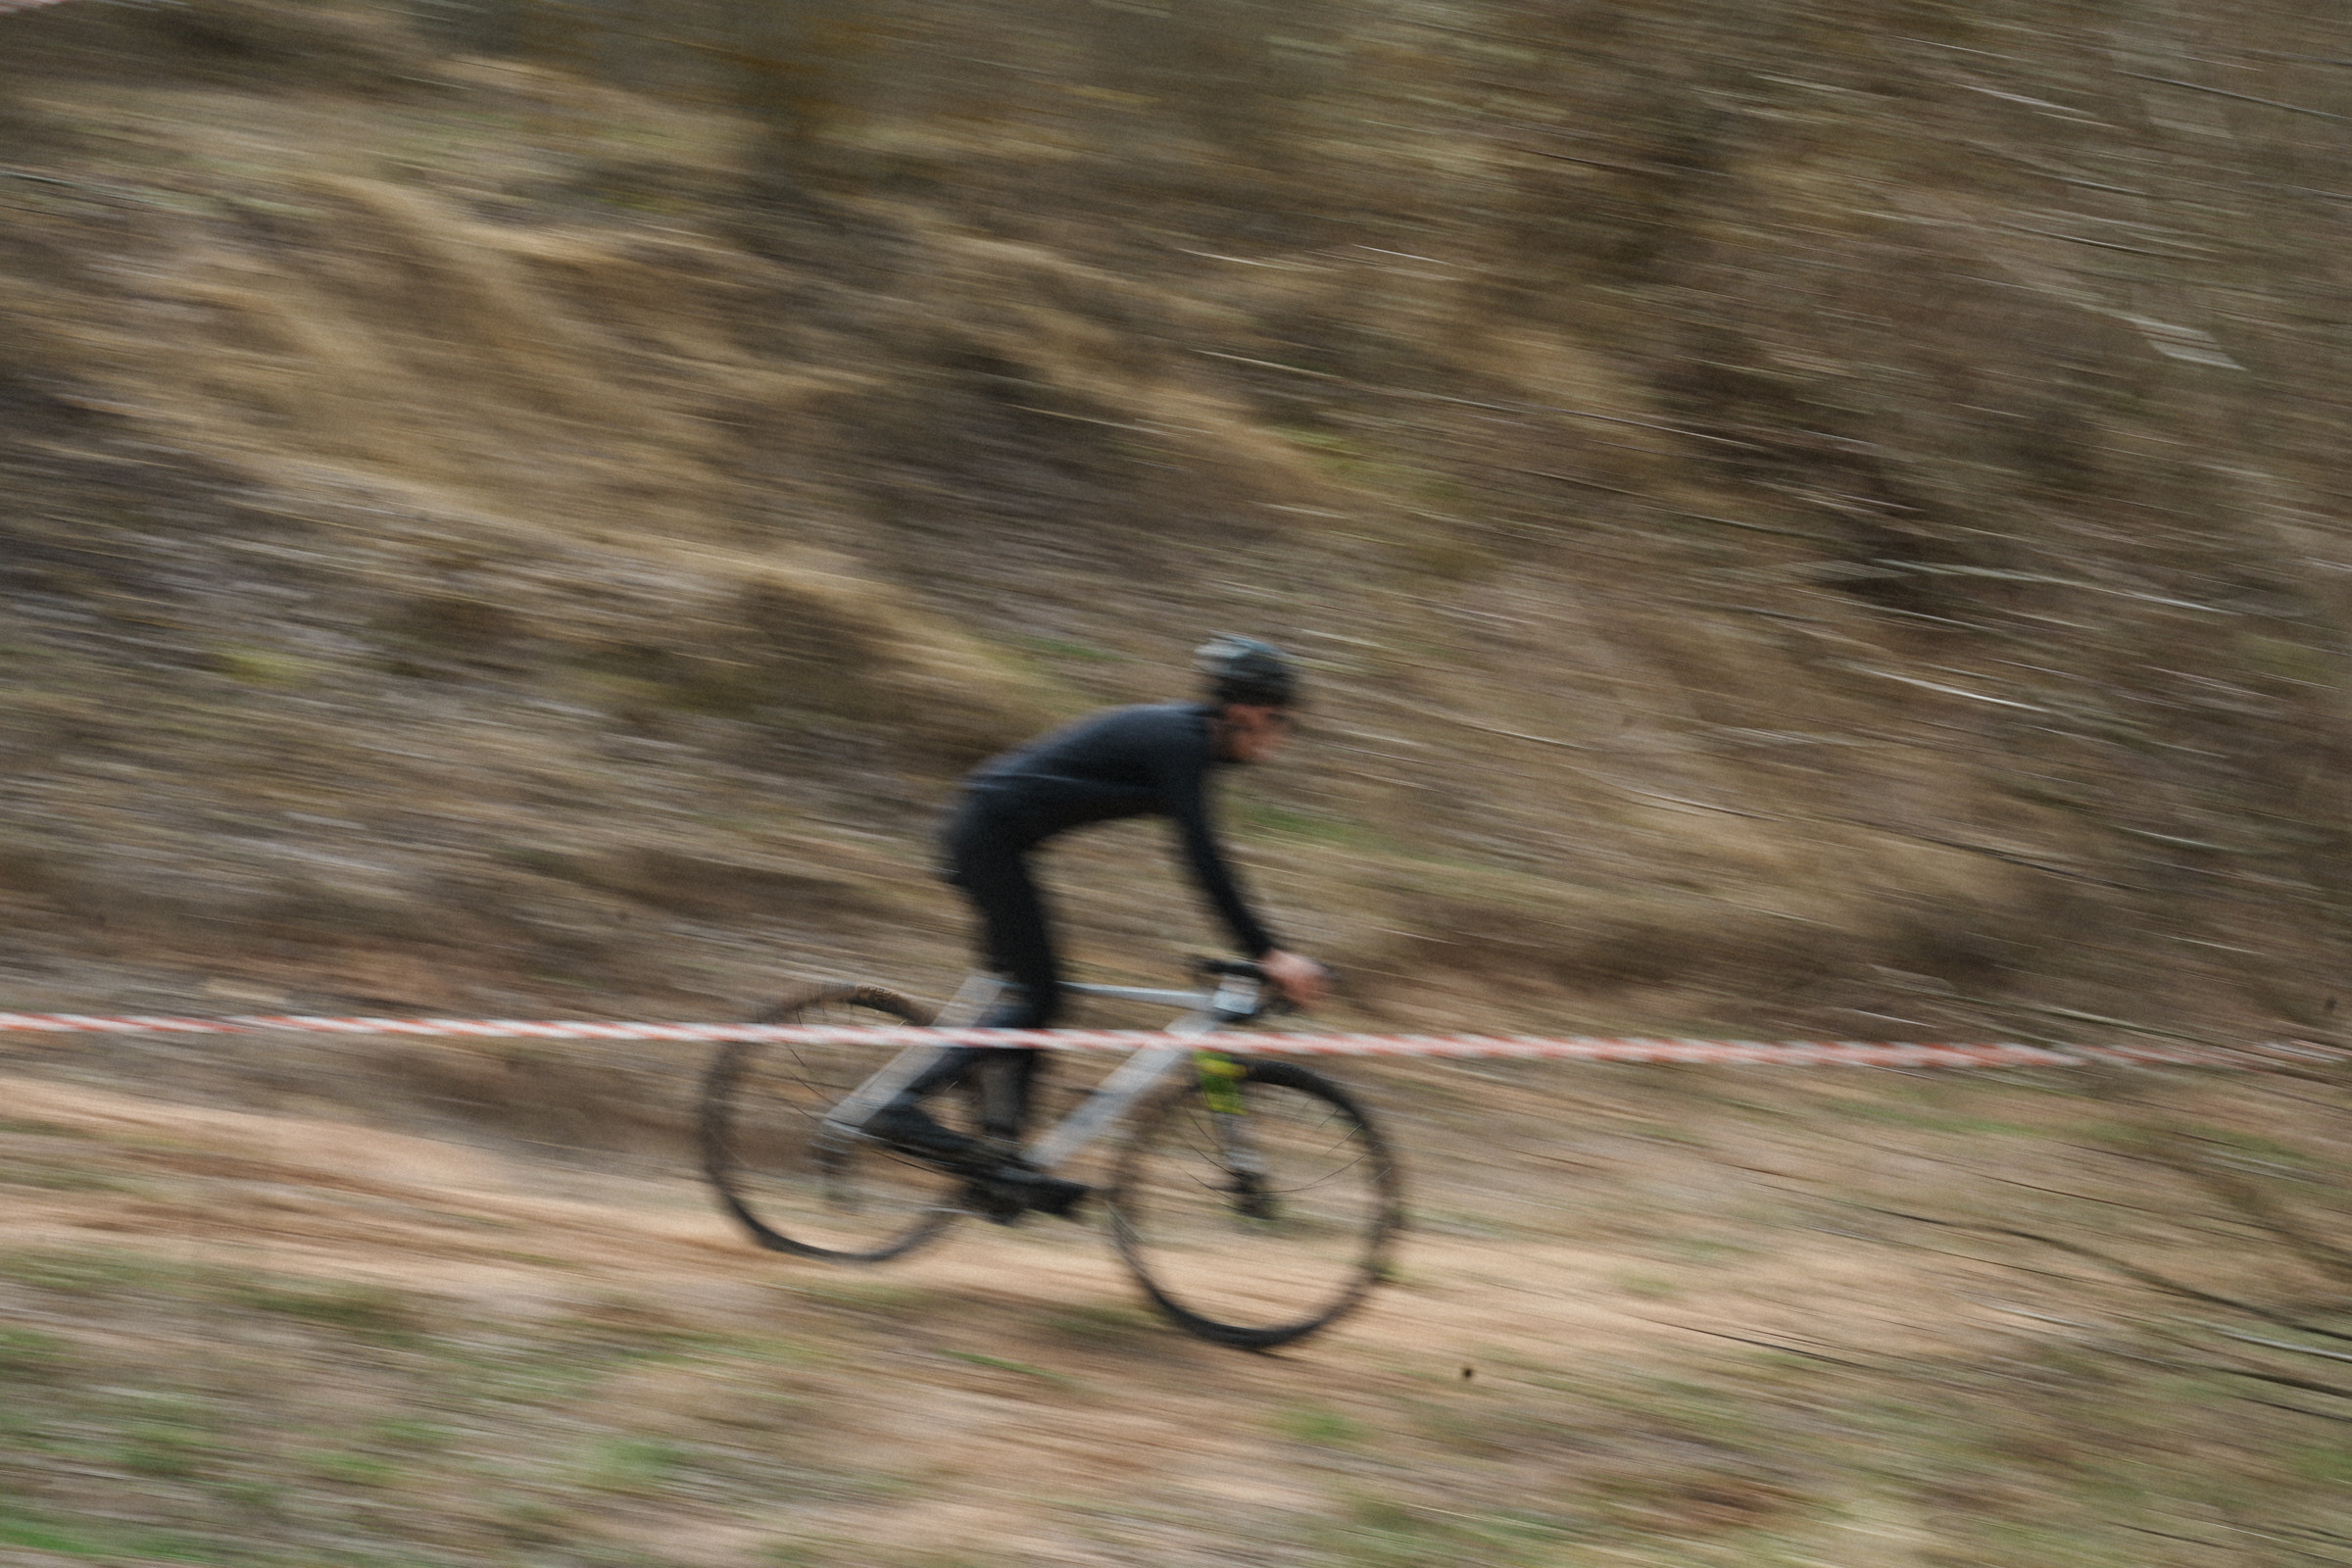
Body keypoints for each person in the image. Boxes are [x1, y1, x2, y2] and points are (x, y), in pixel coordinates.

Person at [866, 635, 1327, 1219]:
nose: (1284, 734)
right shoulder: (1181, 744)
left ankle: (1004, 1166)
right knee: (1042, 993)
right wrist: (1269, 953)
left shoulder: (1189, 743)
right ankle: (902, 1108)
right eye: (1281, 719)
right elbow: (1202, 859)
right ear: (1246, 712)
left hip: (995, 837)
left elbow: (1202, 858)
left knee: (1035, 999)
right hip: (988, 838)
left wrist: (1265, 950)